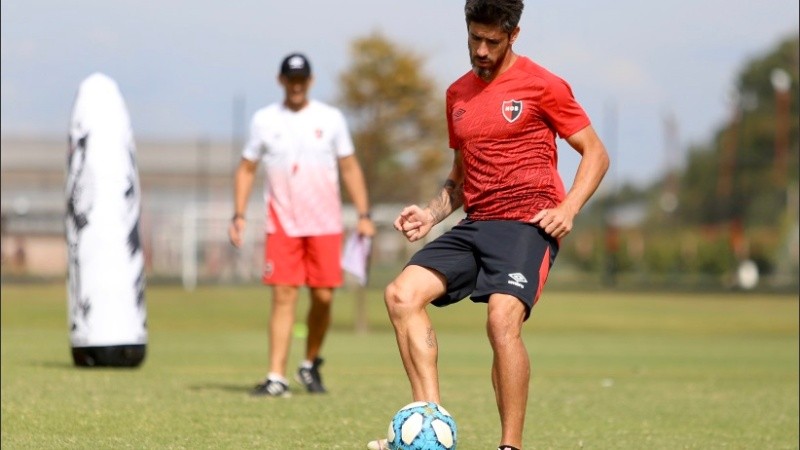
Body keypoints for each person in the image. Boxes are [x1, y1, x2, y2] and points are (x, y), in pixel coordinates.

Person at [367, 1, 609, 449]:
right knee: (401, 295)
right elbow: (461, 178)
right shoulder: (457, 95)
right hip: (476, 223)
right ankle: (428, 428)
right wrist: (431, 213)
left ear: (513, 35)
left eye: (491, 41)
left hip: (527, 223)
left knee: (501, 320)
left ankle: (509, 446)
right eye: (473, 39)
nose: (480, 50)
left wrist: (569, 207)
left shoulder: (543, 85)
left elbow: (595, 152)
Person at [229, 52, 375, 397]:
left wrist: (364, 215)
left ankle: (309, 364)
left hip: (325, 222)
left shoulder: (331, 118)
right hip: (283, 222)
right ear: (281, 80)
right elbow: (247, 168)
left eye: (301, 79)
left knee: (323, 297)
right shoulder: (264, 120)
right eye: (290, 79)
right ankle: (276, 376)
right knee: (283, 294)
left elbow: (350, 167)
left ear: (309, 81)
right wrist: (238, 214)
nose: (296, 85)